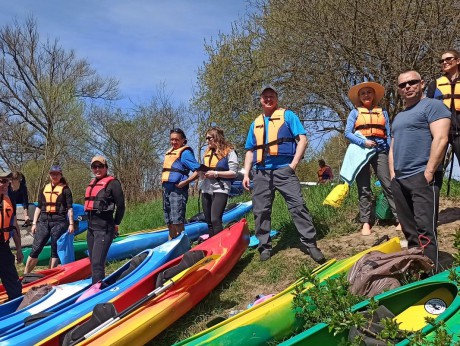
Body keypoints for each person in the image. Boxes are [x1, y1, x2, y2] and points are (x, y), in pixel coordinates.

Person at [243, 86, 325, 263]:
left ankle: (310, 244)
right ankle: (264, 246)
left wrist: (293, 165)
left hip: (284, 170)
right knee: (261, 211)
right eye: (265, 97)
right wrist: (246, 174)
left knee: (298, 206)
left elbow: (302, 139)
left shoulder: (288, 116)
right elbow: (250, 151)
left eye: (271, 96)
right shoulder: (255, 123)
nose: (268, 99)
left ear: (276, 98)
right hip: (261, 173)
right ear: (260, 100)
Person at [389, 70, 451, 272]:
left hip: (422, 176)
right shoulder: (398, 116)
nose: (407, 87)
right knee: (410, 231)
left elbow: (441, 139)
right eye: (402, 85)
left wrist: (429, 172)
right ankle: (417, 271)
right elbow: (393, 146)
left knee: (425, 229)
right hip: (400, 180)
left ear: (422, 83)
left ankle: (431, 274)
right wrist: (392, 176)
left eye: (412, 82)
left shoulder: (434, 106)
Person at [345, 81, 400, 236]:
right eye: (363, 93)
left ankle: (399, 219)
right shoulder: (355, 113)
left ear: (374, 95)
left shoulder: (382, 112)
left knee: (388, 183)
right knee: (363, 188)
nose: (366, 95)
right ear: (359, 97)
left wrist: (391, 153)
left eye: (369, 92)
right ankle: (366, 222)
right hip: (361, 152)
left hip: (380, 150)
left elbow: (388, 134)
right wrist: (363, 142)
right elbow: (347, 133)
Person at [24, 165, 74, 273]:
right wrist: (34, 223)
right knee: (36, 248)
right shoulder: (44, 189)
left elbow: (70, 208)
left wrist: (71, 224)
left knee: (54, 249)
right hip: (44, 221)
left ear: (61, 175)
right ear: (49, 175)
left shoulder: (66, 190)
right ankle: (25, 274)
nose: (54, 176)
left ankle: (50, 274)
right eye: (52, 174)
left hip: (59, 222)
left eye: (57, 174)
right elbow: (39, 207)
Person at [84, 156, 125, 284]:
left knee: (97, 263)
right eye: (94, 167)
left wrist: (116, 223)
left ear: (106, 167)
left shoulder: (113, 184)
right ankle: (97, 285)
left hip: (104, 228)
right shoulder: (93, 183)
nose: (97, 169)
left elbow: (121, 206)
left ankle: (98, 292)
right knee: (93, 262)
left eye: (100, 166)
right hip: (91, 229)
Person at [162, 128, 200, 239]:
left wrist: (186, 182)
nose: (173, 142)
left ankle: (182, 246)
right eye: (172, 139)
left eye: (176, 140)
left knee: (177, 220)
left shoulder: (185, 153)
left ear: (183, 140)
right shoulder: (170, 152)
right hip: (166, 189)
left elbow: (198, 171)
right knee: (169, 221)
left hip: (177, 190)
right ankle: (171, 245)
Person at [426, 49, 460, 176]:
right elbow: (427, 109)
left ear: (458, 61)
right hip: (439, 132)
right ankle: (432, 195)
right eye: (442, 60)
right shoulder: (434, 85)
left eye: (448, 59)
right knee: (434, 167)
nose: (445, 62)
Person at [199, 127, 238, 236]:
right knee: (209, 222)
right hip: (206, 189)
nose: (207, 141)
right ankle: (213, 247)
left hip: (221, 188)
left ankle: (221, 245)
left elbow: (234, 172)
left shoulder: (229, 151)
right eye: (206, 138)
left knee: (215, 219)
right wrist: (201, 174)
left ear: (217, 138)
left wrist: (216, 173)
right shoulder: (207, 152)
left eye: (209, 138)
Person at [0, 169, 23, 300]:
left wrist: (19, 249)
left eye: (8, 181)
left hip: (3, 247)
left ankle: (17, 306)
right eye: (2, 181)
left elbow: (14, 226)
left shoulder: (9, 200)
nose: (6, 184)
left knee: (14, 286)